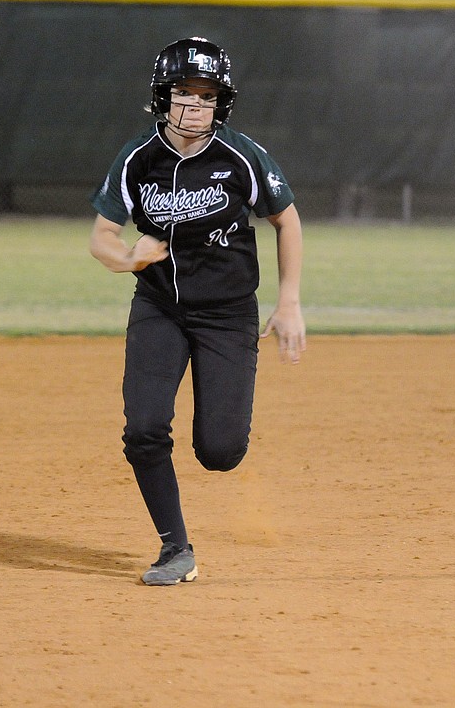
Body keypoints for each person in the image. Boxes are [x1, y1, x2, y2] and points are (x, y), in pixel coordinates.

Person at [89, 37, 305, 586]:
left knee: (220, 451)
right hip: (158, 307)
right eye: (183, 93)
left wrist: (289, 301)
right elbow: (101, 238)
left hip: (228, 316)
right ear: (162, 98)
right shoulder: (138, 159)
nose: (194, 107)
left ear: (221, 103)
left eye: (206, 96)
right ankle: (175, 548)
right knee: (142, 429)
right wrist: (125, 259)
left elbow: (287, 220)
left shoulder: (241, 156)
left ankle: (221, 444)